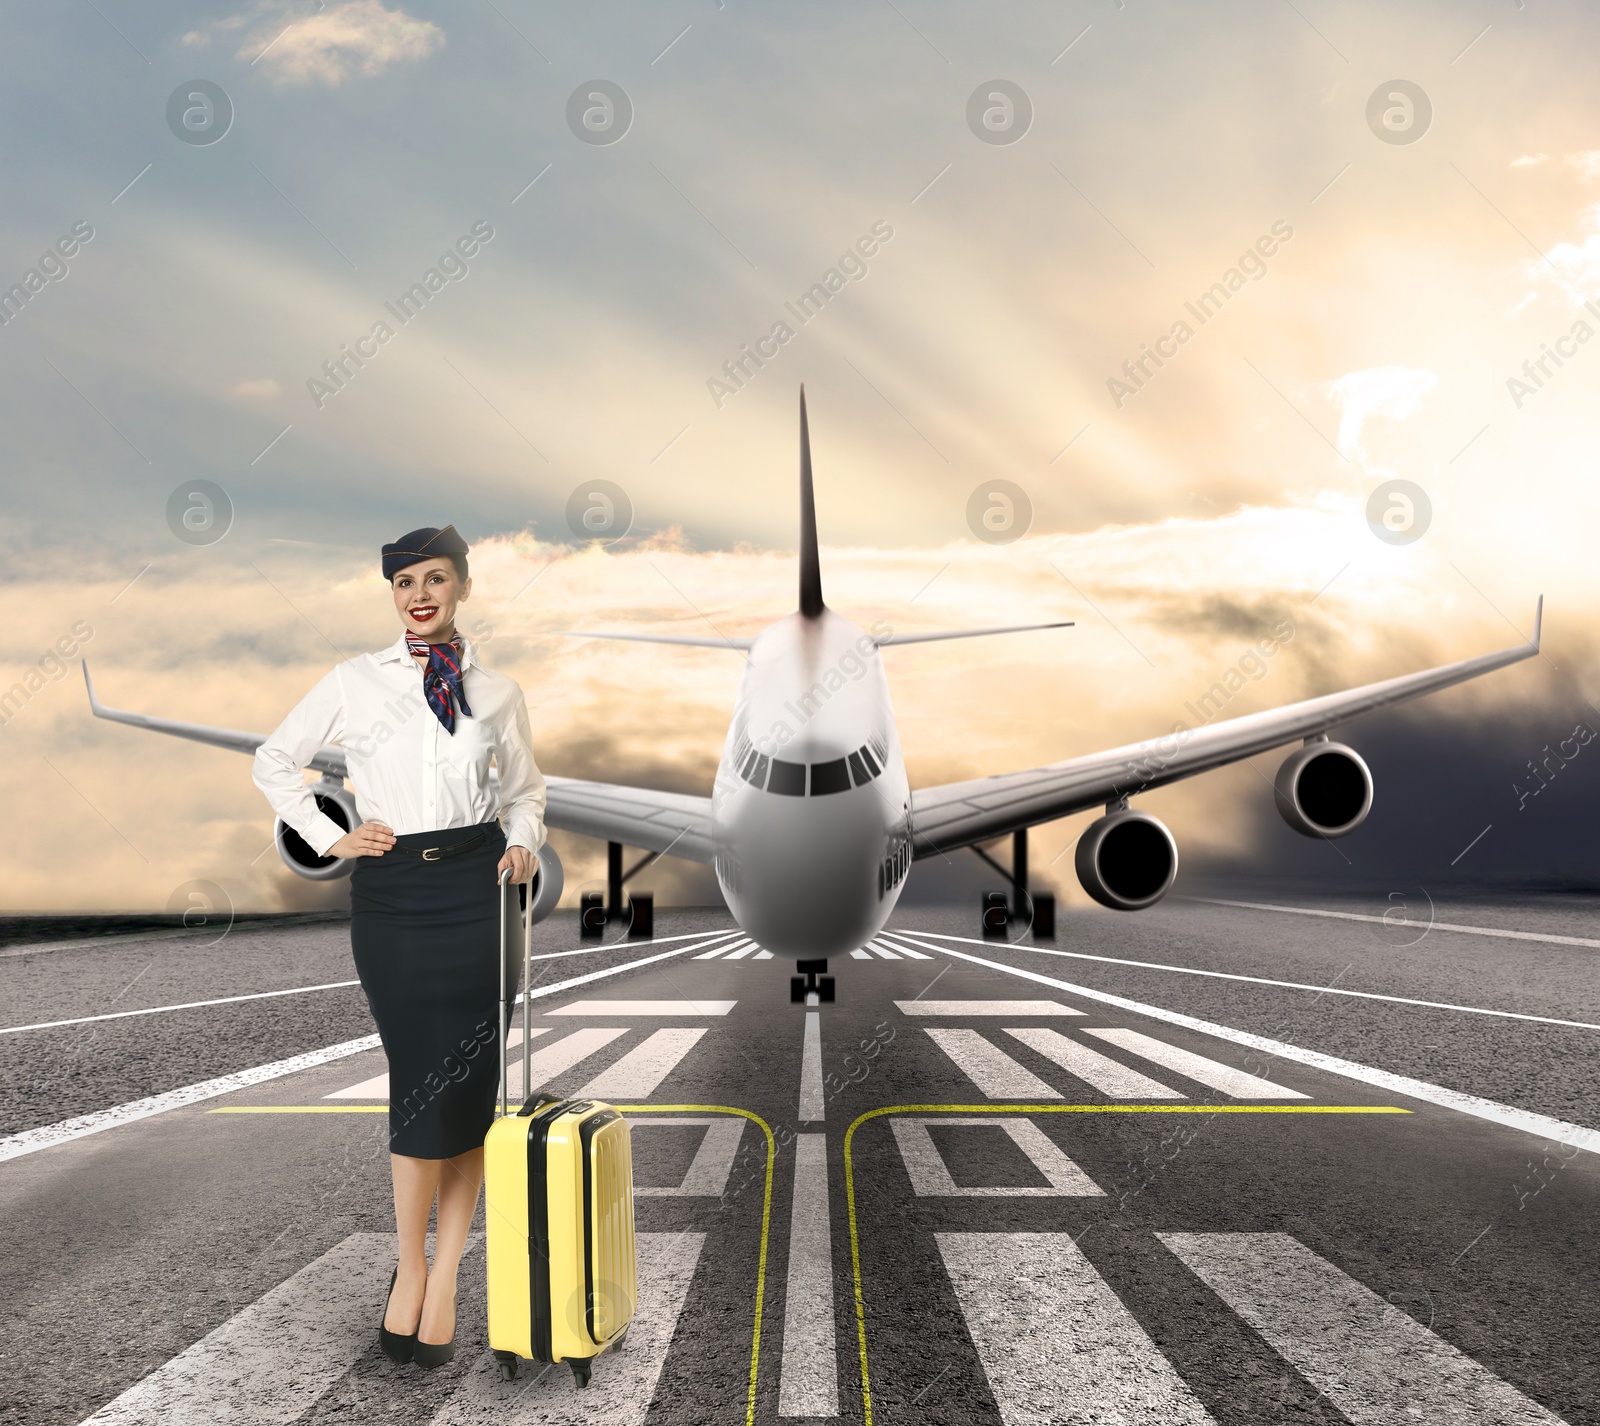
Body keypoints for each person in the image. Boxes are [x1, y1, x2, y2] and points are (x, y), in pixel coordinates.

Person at [252, 525, 546, 1369]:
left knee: (469, 1098)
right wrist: (325, 834)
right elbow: (275, 760)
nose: (419, 594)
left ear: (462, 586)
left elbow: (525, 792)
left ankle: (444, 1277)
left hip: (481, 895)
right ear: (392, 593)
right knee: (421, 1091)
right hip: (395, 899)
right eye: (404, 582)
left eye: (435, 579)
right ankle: (409, 1267)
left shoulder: (498, 692)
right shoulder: (354, 681)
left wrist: (522, 840)